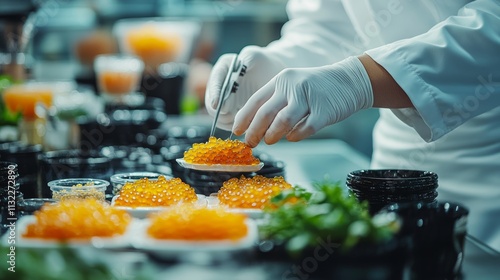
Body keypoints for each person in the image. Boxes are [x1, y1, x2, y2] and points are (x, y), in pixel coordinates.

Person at [205, 0, 500, 251]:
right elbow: (329, 26)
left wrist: (361, 79)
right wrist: (279, 62)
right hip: (393, 162)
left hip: (487, 166)